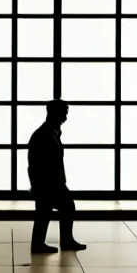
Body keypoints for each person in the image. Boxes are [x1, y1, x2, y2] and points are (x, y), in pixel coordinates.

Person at [27, 99, 86, 254]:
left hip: (47, 182)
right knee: (64, 208)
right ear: (54, 113)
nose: (65, 118)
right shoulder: (46, 135)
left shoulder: (47, 133)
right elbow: (43, 164)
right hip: (49, 183)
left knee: (44, 212)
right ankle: (63, 241)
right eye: (63, 114)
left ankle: (41, 243)